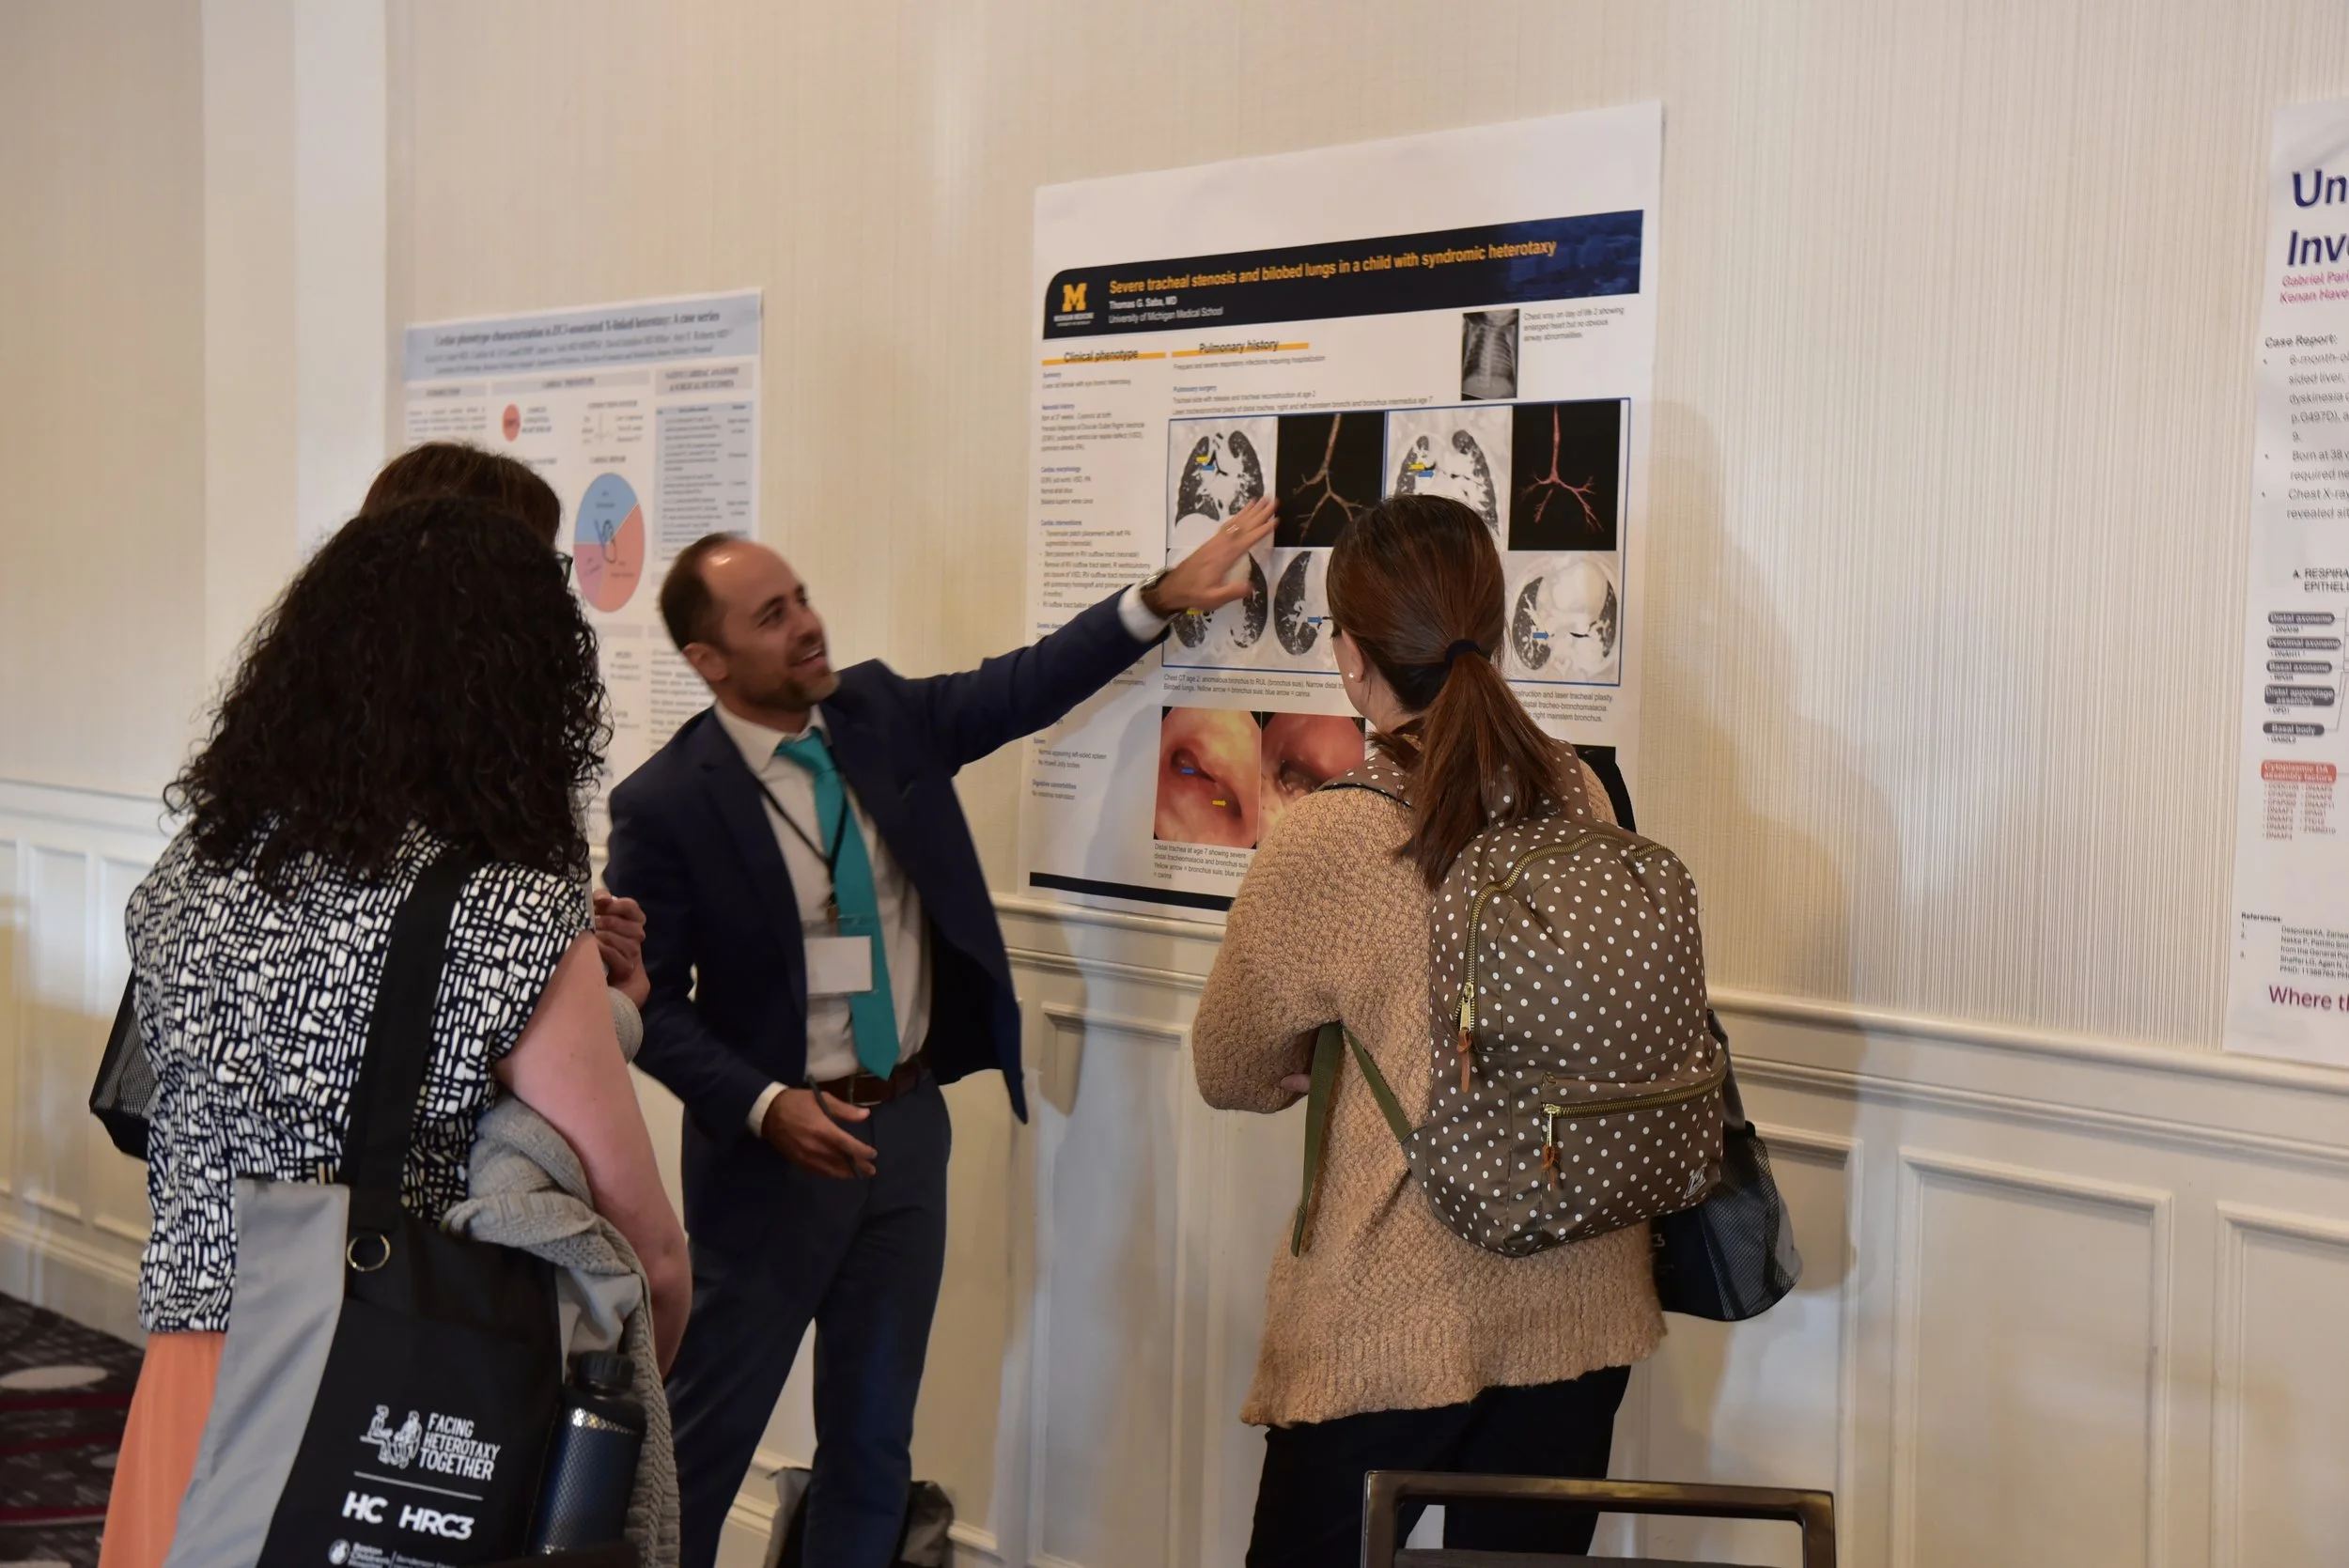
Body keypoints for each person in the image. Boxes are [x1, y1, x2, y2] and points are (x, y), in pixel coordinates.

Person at [604, 500, 1278, 1568]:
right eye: (772, 615)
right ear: (709, 658)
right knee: (704, 1443)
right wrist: (765, 1104)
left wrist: (1154, 601)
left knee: (872, 1442)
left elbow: (1019, 685)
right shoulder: (665, 805)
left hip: (906, 1131)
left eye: (803, 598)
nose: (806, 624)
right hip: (774, 1158)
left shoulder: (875, 712)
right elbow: (647, 1008)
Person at [101, 499, 692, 1568]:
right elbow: (646, 1256)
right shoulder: (504, 911)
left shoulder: (185, 877)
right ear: (520, 692)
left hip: (189, 1386)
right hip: (387, 1407)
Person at [1188, 493, 1660, 1567]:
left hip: (1392, 1317)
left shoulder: (1331, 837)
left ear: (1350, 658)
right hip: (1579, 1294)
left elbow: (1229, 1065)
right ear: (1492, 629)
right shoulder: (1579, 787)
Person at [358, 440, 655, 1018]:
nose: (556, 598)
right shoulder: (488, 778)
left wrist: (564, 938)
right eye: (540, 567)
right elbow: (501, 1055)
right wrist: (618, 1006)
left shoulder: (301, 762)